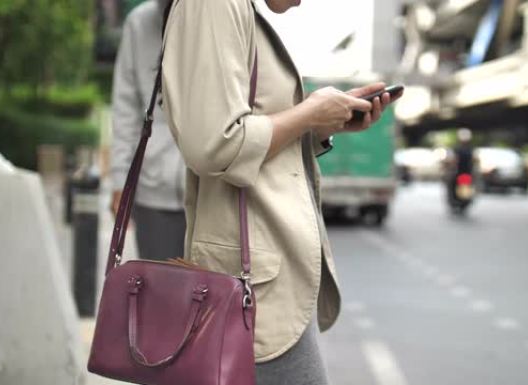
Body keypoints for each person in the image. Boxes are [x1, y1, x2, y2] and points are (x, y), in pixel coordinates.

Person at [160, 0, 400, 382]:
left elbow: (245, 138)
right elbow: (214, 145)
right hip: (247, 282)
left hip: (265, 271)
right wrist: (309, 113)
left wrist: (320, 126)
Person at [110, 0, 186, 261]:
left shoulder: (218, 16)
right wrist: (120, 179)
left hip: (212, 192)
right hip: (153, 194)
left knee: (212, 297)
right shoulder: (138, 23)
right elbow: (125, 109)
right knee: (160, 297)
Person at [445, 128, 475, 203]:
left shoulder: (470, 148)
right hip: (459, 172)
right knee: (451, 184)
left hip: (465, 173)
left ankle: (462, 200)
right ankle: (455, 200)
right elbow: (451, 160)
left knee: (466, 189)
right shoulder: (457, 148)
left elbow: (475, 159)